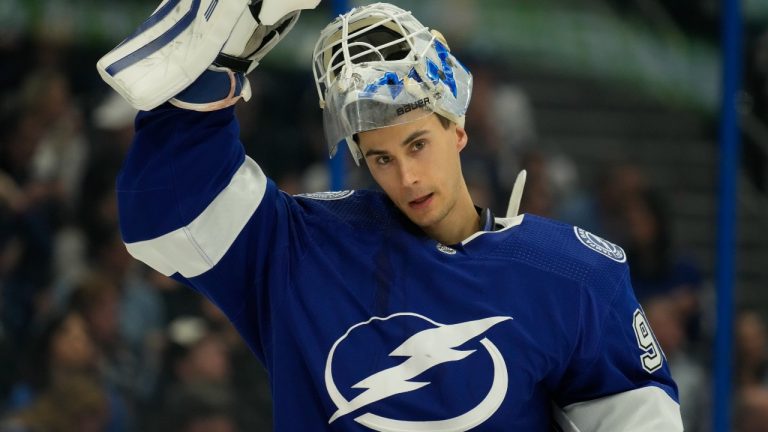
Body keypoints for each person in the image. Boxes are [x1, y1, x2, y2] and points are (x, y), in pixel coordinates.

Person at [97, 1, 683, 430]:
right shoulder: (305, 250)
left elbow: (639, 417)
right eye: (380, 157)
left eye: (417, 145)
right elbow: (168, 221)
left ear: (457, 128)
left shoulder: (572, 275)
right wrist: (205, 83)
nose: (405, 177)